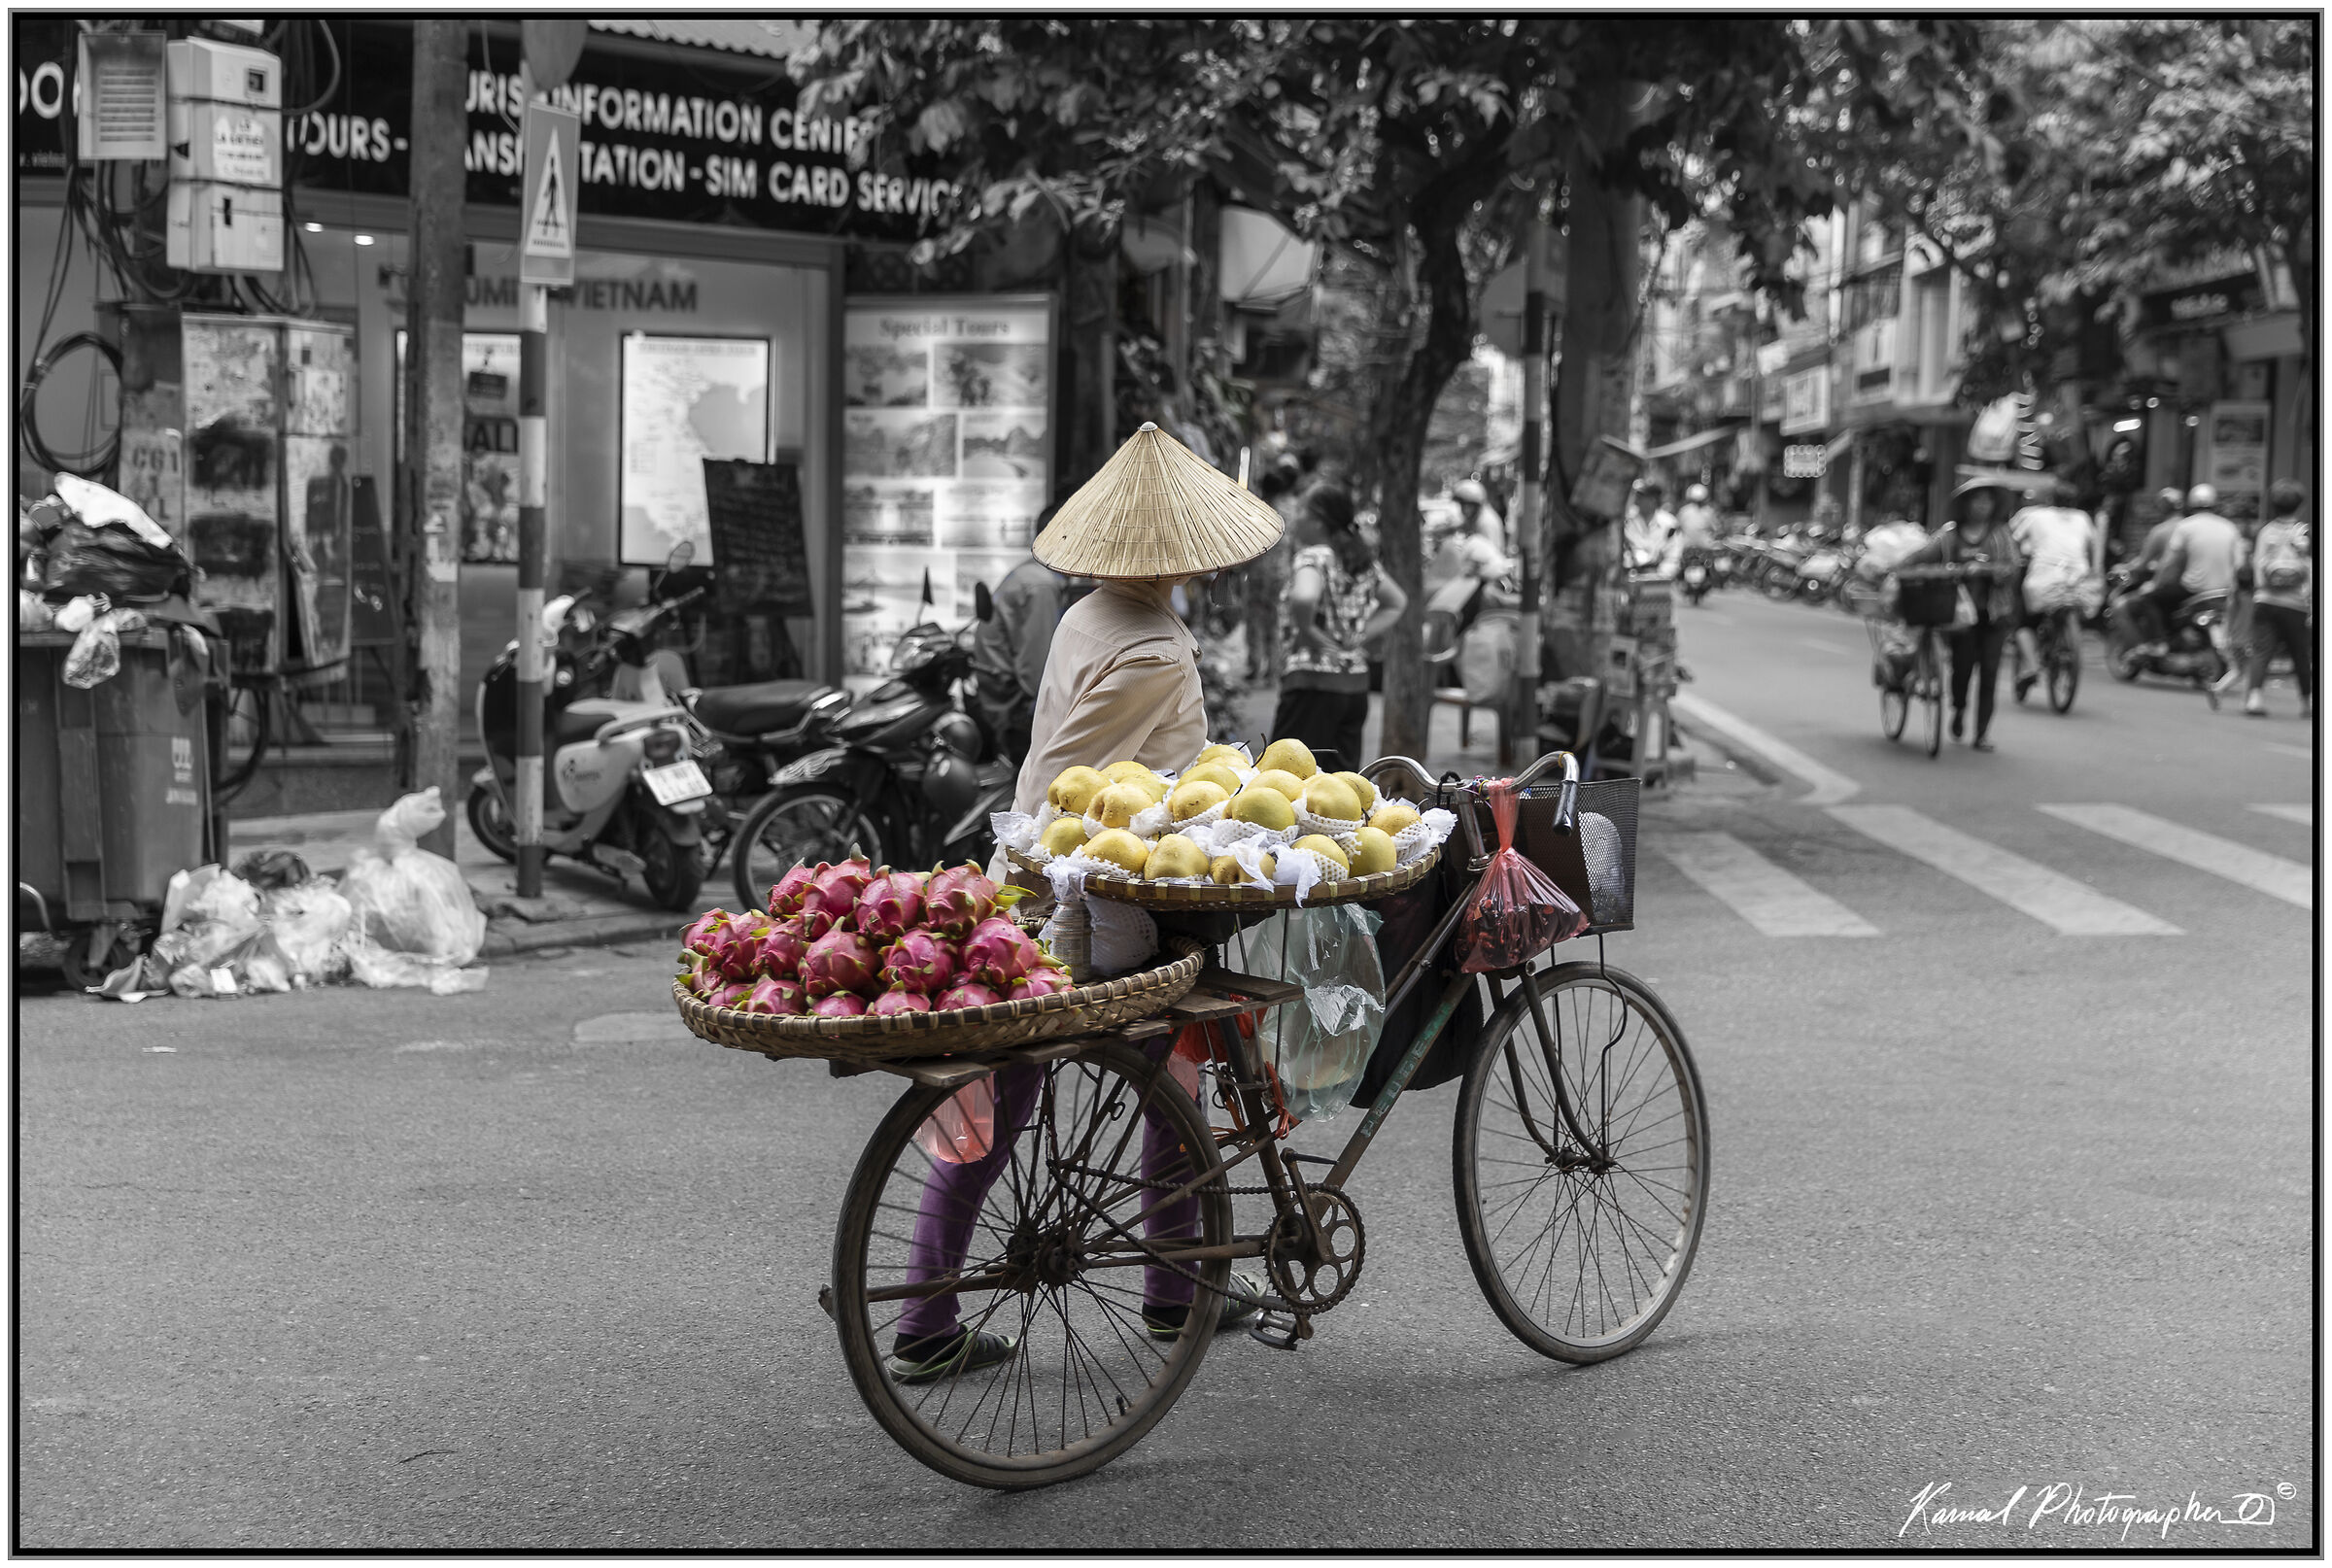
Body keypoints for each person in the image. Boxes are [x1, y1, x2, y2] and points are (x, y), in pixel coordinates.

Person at [892, 424, 1276, 1385]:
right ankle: (1158, 1284)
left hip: (1059, 885)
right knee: (1135, 1080)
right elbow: (1072, 784)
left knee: (1079, 1087)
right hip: (1103, 902)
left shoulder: (1088, 615)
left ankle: (1166, 1284)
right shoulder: (1154, 648)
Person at [1270, 485, 1408, 769]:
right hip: (1355, 685)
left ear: (1319, 521)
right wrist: (1357, 638)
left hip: (1311, 686)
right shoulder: (1360, 560)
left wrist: (1309, 631)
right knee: (1340, 790)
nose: (1297, 518)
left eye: (1302, 511)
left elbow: (1304, 596)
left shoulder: (1313, 557)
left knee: (1287, 781)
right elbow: (1396, 602)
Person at [1906, 478, 2026, 751]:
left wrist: (1984, 570)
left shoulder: (2000, 535)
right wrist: (1894, 567)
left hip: (1994, 616)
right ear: (1966, 505)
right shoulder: (1950, 535)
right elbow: (1923, 555)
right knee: (1961, 670)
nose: (1982, 506)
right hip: (1960, 618)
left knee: (1990, 674)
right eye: (1977, 500)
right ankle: (1958, 708)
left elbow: (2012, 567)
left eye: (1987, 500)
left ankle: (1982, 733)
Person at [969, 503, 1068, 764]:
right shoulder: (1042, 585)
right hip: (1012, 709)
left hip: (997, 696)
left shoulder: (1030, 572)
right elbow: (1034, 671)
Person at [2007, 475, 2098, 698]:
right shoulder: (2083, 518)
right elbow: (2093, 547)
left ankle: (2031, 666)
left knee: (2024, 623)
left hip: (2043, 580)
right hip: (2079, 580)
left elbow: (2012, 541)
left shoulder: (2034, 515)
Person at [2141, 482, 2246, 659]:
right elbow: (2240, 564)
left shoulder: (2186, 526)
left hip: (2194, 590)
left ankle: (2159, 643)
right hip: (2224, 591)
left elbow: (2168, 562)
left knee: (2150, 600)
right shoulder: (2230, 527)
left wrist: (2154, 584)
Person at [2244, 479, 2314, 718]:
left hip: (2266, 600)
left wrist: (2259, 590)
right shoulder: (2304, 532)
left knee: (2261, 651)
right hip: (2295, 603)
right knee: (2300, 653)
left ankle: (2254, 698)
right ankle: (2308, 701)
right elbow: (2310, 568)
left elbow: (2257, 565)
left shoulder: (2266, 532)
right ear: (2300, 506)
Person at [1243, 453, 1305, 680]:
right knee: (1276, 620)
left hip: (1258, 574)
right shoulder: (1295, 509)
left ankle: (1255, 665)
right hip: (1281, 574)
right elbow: (1297, 545)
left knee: (1255, 619)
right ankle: (1273, 669)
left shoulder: (1260, 510)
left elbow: (1247, 543)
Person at [1454, 477, 1507, 556]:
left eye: (1466, 505)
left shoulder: (1485, 522)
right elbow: (1461, 526)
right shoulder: (1476, 518)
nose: (1463, 509)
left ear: (1475, 505)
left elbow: (1489, 555)